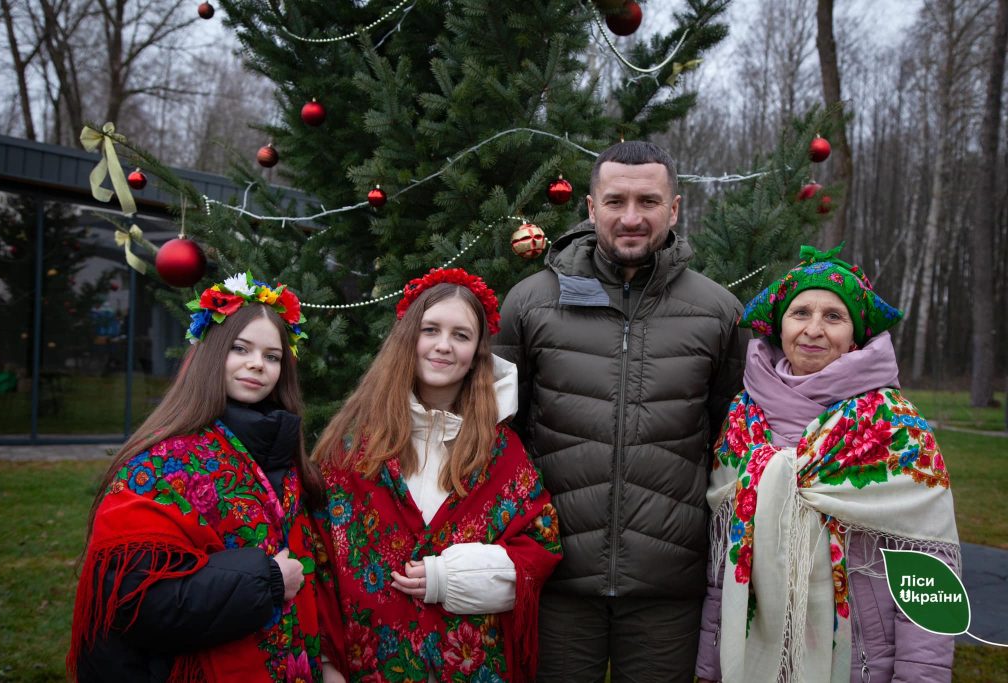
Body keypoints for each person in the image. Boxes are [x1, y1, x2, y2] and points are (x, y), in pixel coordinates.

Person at [493, 140, 749, 681]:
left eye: (648, 201)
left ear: (674, 209)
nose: (631, 218)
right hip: (555, 579)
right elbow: (497, 436)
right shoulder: (532, 302)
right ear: (590, 208)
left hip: (667, 590)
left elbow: (733, 444)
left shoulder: (718, 312)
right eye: (615, 202)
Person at [694, 244, 960, 683]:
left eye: (833, 317)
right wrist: (711, 667)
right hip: (753, 655)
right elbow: (723, 565)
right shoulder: (745, 417)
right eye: (800, 313)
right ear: (779, 326)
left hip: (860, 661)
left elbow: (929, 571)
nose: (813, 329)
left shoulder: (894, 426)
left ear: (855, 335)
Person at [67, 272, 330, 683]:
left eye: (272, 356)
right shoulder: (158, 468)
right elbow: (137, 603)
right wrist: (268, 581)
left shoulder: (286, 459)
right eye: (240, 349)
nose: (257, 364)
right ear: (212, 354)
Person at [311, 267, 562, 682]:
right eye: (431, 330)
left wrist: (451, 578)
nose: (443, 346)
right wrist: (327, 665)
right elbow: (321, 559)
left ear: (477, 353)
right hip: (369, 667)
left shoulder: (500, 453)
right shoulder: (353, 449)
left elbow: (540, 551)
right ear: (409, 338)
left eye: (460, 335)